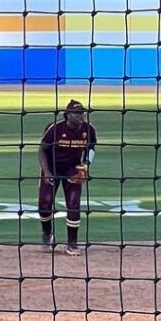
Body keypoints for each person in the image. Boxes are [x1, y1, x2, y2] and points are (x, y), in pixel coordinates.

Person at [37, 99, 97, 256]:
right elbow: (42, 150)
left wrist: (86, 164)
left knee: (74, 203)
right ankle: (47, 234)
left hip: (73, 169)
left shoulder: (88, 129)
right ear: (68, 115)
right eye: (77, 114)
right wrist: (47, 172)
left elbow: (91, 147)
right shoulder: (55, 129)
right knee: (45, 203)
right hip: (52, 168)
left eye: (82, 113)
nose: (81, 116)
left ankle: (72, 243)